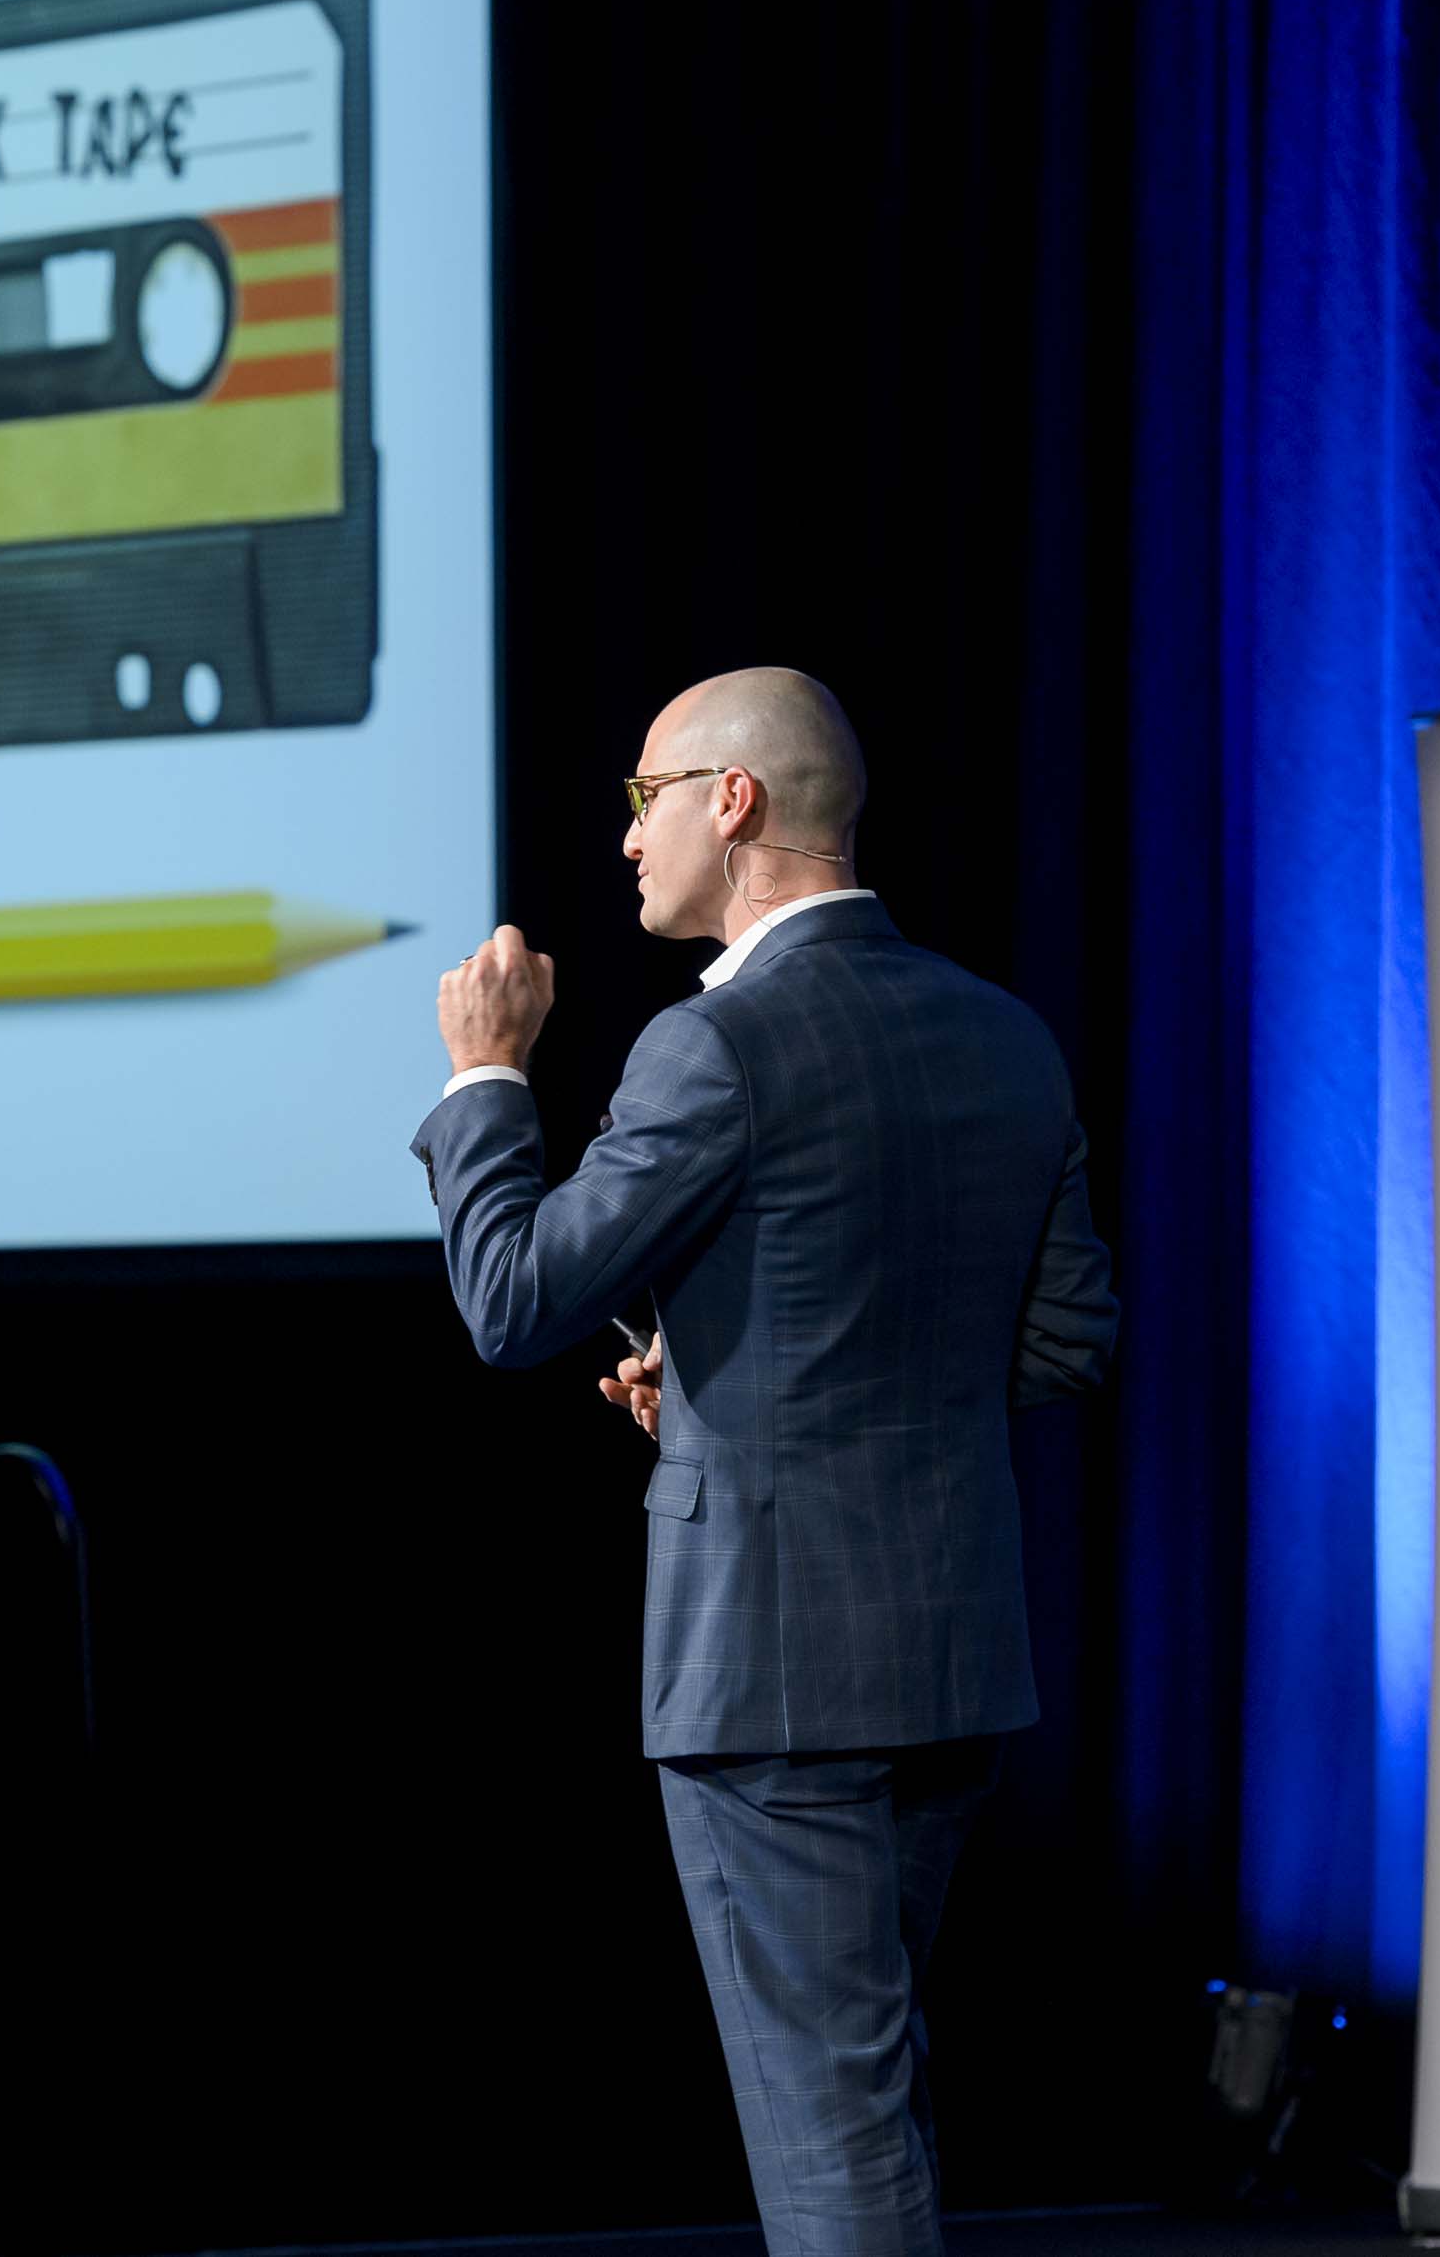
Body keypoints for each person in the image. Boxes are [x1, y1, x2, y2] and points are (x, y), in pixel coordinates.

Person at [412, 666, 1119, 2257]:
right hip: (951, 1663)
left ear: (732, 801)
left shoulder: (714, 1044)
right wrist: (736, 1387)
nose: (626, 837)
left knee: (835, 2132)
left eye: (645, 795)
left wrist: (488, 1074)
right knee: (872, 2097)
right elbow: (1066, 1339)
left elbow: (513, 1300)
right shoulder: (1008, 1036)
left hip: (774, 1680)